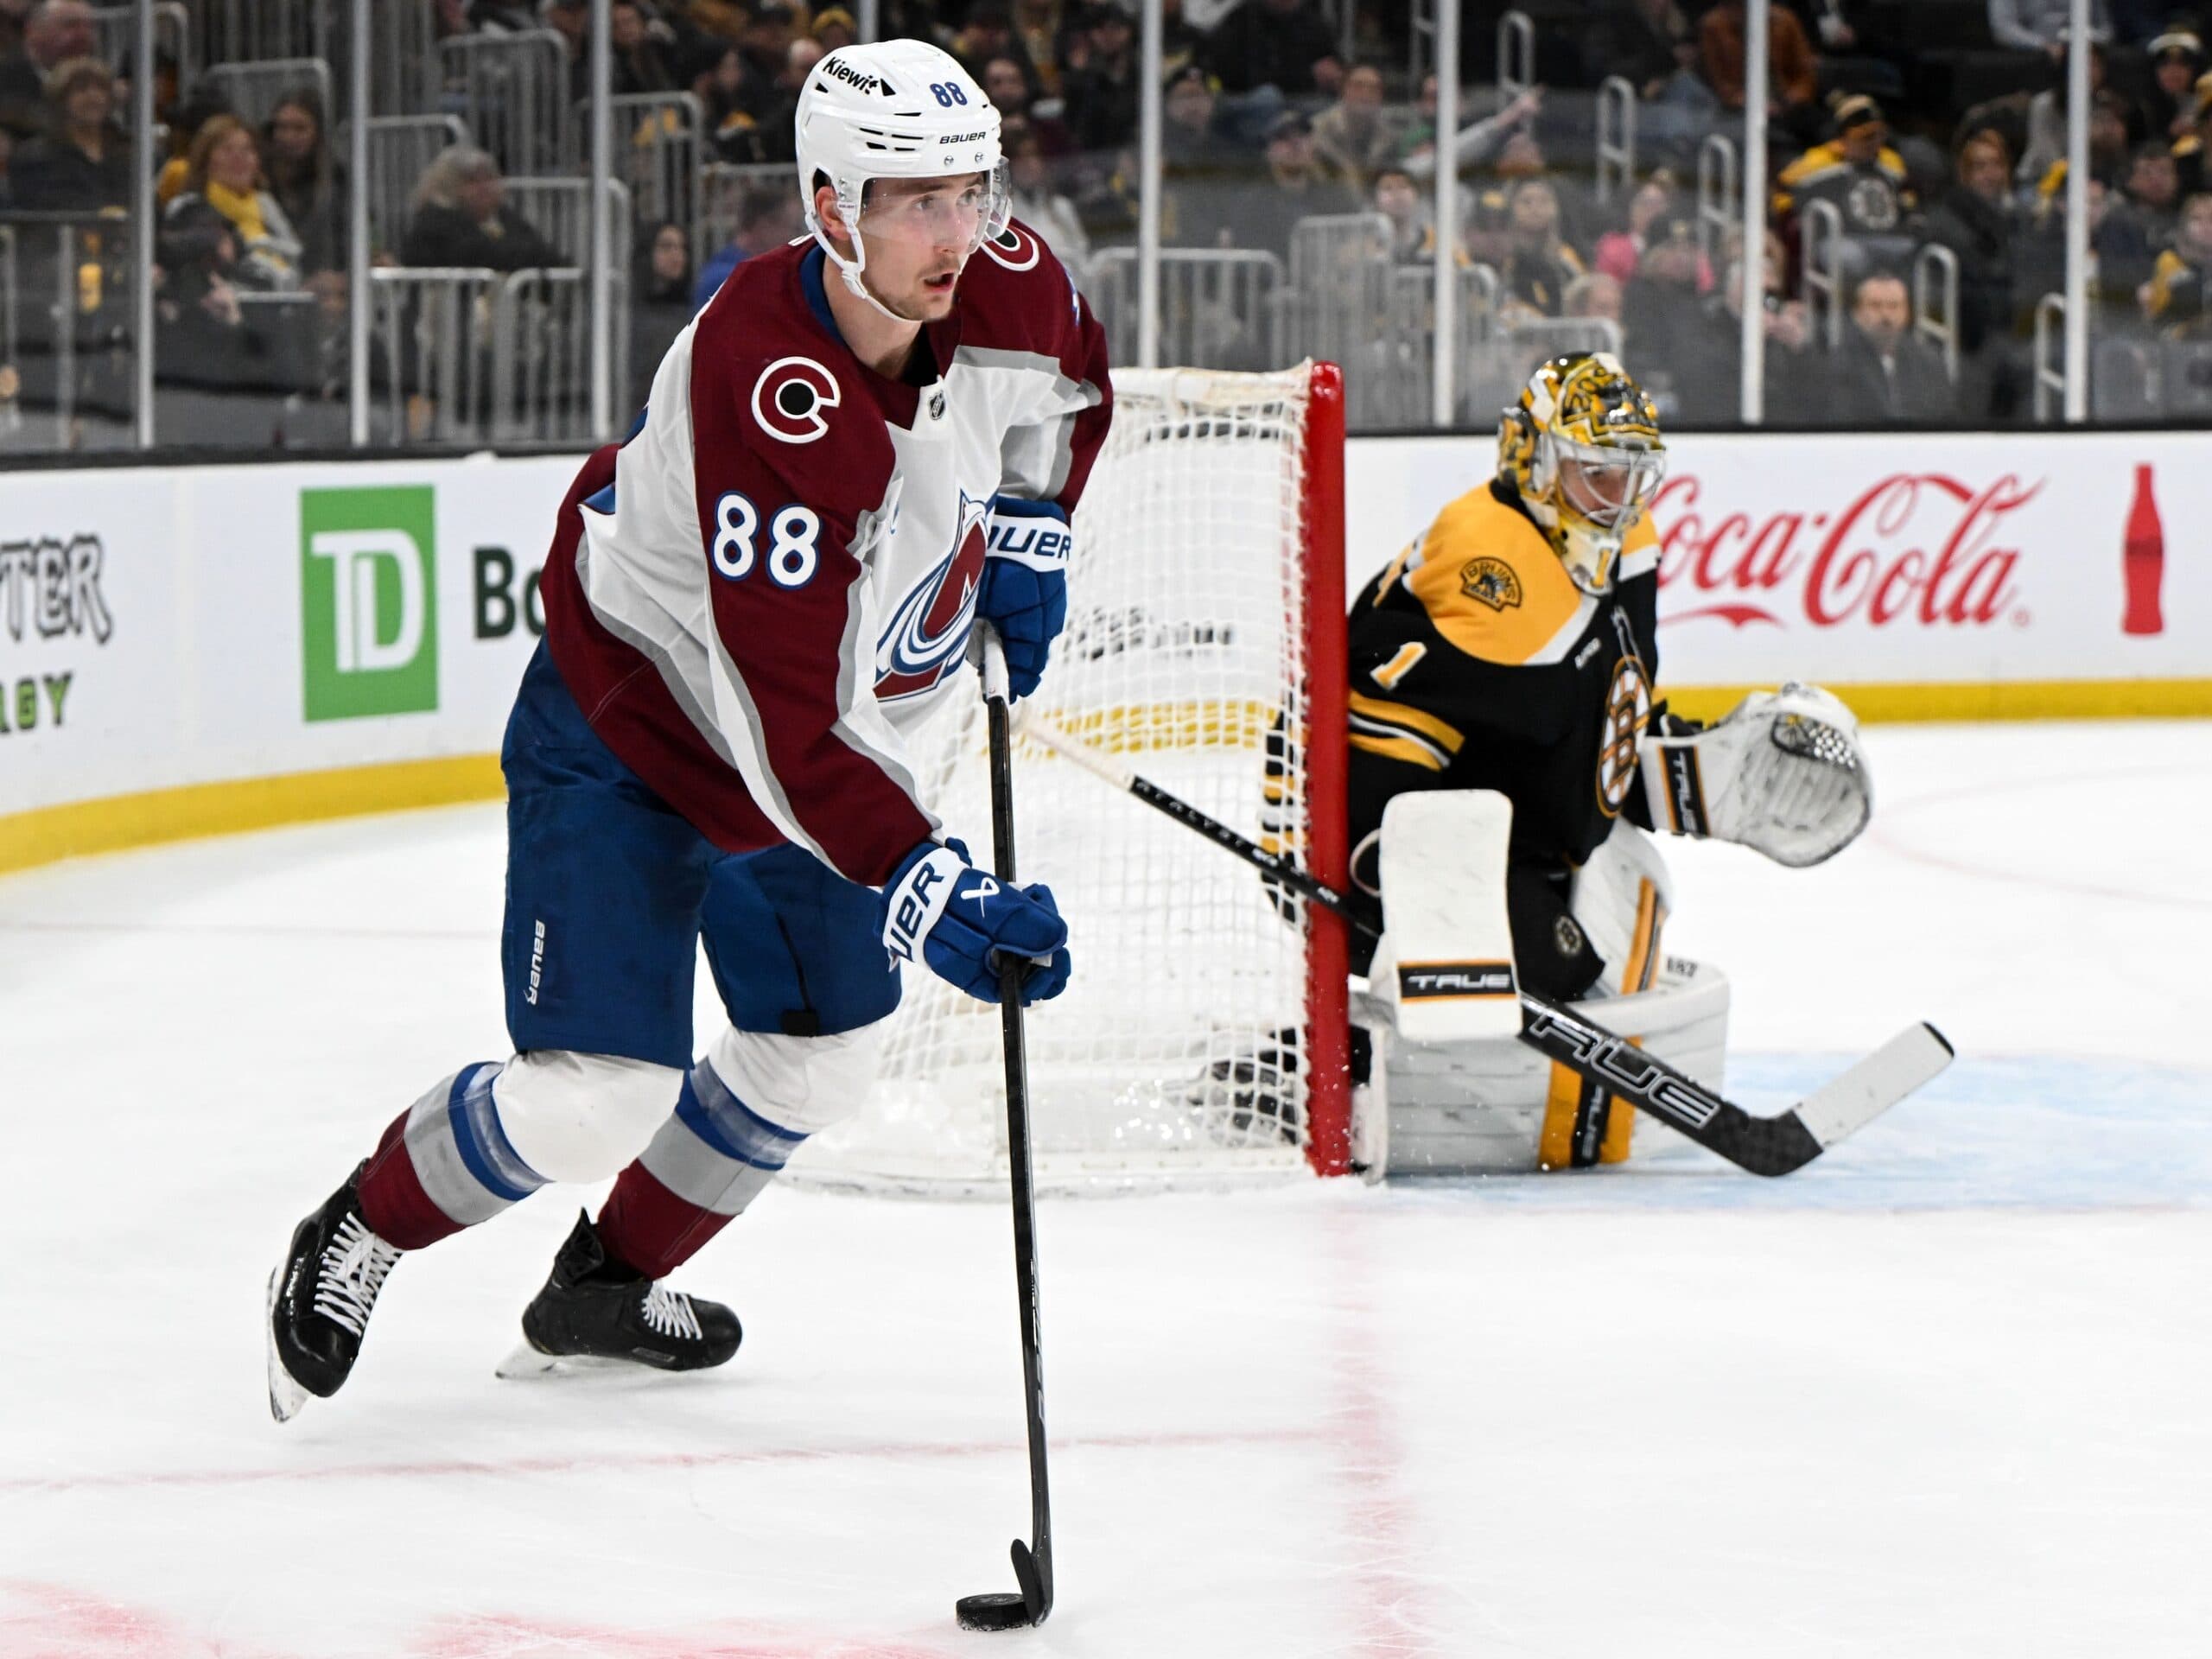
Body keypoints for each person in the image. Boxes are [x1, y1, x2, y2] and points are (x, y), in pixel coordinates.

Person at [264, 38, 1111, 1418]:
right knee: (598, 1093)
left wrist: (1035, 517)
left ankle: (601, 1283)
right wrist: (923, 886)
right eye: (916, 201)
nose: (961, 233)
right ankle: (365, 1219)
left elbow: (1073, 389)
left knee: (825, 1048)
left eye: (974, 191)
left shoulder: (1007, 279)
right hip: (643, 730)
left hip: (824, 750)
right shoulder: (772, 382)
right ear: (833, 208)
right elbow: (779, 724)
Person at [1321, 353, 1867, 1161]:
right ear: (1533, 461)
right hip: (1372, 834)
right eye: (1594, 475)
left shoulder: (1619, 540)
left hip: (1475, 802)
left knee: (1633, 904)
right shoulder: (1493, 563)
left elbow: (1581, 724)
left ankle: (1505, 1036)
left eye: (1631, 476)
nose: (1618, 501)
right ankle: (1351, 1062)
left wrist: (1685, 769)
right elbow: (1512, 734)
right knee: (1576, 967)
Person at [163, 114, 305, 293]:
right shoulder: (187, 207)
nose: (239, 158)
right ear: (205, 160)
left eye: (247, 150)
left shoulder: (268, 205)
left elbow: (296, 257)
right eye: (227, 149)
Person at [400, 145, 563, 270]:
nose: (484, 188)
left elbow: (541, 251)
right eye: (472, 181)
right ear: (449, 186)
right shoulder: (436, 222)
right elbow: (487, 256)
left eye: (489, 178)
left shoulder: (503, 217)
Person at [8, 54, 130, 211]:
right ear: (61, 99)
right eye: (81, 89)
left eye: (101, 88)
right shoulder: (34, 157)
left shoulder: (128, 151)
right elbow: (42, 210)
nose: (93, 96)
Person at [1827, 269, 1952, 422]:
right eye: (1875, 306)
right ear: (1857, 314)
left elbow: (1945, 418)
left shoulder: (1929, 362)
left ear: (1907, 313)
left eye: (1894, 306)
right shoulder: (1838, 364)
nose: (1886, 315)